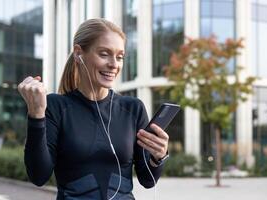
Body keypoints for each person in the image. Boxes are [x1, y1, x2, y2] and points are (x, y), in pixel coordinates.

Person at [18, 18, 169, 200]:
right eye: (104, 54)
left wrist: (158, 156)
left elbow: (148, 180)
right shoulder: (56, 107)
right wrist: (36, 116)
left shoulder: (133, 109)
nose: (114, 64)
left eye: (119, 57)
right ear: (78, 53)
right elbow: (38, 176)